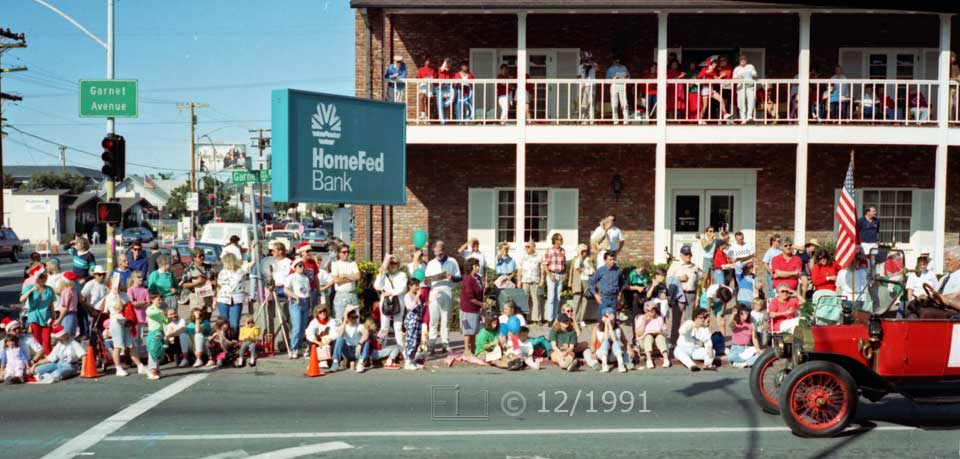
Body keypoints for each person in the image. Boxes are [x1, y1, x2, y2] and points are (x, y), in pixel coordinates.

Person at [103, 273, 146, 376]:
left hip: (126, 322)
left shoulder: (124, 294)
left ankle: (140, 366)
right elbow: (119, 308)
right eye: (116, 284)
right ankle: (118, 368)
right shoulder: (109, 297)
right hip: (116, 322)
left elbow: (129, 305)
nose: (118, 286)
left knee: (131, 345)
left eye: (119, 284)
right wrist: (117, 295)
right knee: (118, 346)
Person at [423, 241, 461, 354]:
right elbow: (426, 280)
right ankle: (432, 344)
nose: (438, 255)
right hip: (434, 292)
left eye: (440, 252)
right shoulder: (431, 263)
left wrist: (452, 278)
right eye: (436, 252)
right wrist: (433, 279)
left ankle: (446, 343)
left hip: (447, 290)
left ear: (444, 250)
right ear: (434, 251)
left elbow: (459, 277)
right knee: (433, 320)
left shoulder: (452, 261)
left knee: (446, 319)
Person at [374, 255, 408, 347]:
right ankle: (380, 347)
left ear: (398, 264)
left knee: (398, 327)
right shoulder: (384, 275)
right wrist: (381, 273)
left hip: (398, 303)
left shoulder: (402, 275)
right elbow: (377, 286)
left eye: (395, 263)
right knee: (384, 327)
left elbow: (403, 288)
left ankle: (401, 348)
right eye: (391, 263)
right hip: (385, 303)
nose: (393, 265)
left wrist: (391, 293)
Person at [216, 253, 253, 333]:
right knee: (224, 323)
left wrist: (253, 249)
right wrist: (214, 300)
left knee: (234, 323)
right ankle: (224, 341)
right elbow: (219, 286)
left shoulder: (241, 270)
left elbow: (252, 262)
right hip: (223, 299)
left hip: (236, 299)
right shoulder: (222, 272)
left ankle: (234, 341)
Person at [21, 271, 56, 355]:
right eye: (43, 278)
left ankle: (49, 357)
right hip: (34, 317)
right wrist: (31, 290)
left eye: (45, 278)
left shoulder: (49, 289)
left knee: (47, 340)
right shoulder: (30, 287)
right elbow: (21, 299)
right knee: (38, 340)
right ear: (37, 278)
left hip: (46, 318)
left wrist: (54, 318)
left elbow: (51, 305)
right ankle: (40, 358)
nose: (45, 280)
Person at [285, 259, 311, 359]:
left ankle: (299, 346)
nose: (302, 267)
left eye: (302, 265)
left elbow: (308, 293)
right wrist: (295, 296)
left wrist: (309, 306)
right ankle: (293, 348)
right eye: (299, 266)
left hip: (305, 302)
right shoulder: (291, 277)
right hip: (296, 303)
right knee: (296, 327)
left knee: (302, 328)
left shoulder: (305, 278)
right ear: (295, 267)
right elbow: (286, 289)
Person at [459, 258, 484, 356]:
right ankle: (466, 350)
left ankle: (473, 349)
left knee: (474, 330)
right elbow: (470, 297)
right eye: (476, 265)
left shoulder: (478, 277)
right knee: (467, 330)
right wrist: (482, 304)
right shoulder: (468, 279)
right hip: (467, 309)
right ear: (472, 267)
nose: (478, 267)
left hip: (475, 309)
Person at [635, 300, 670, 369]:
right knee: (648, 336)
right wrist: (644, 322)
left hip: (657, 341)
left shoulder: (659, 318)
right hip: (644, 341)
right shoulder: (641, 318)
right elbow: (638, 334)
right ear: (646, 310)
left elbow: (665, 332)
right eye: (651, 310)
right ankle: (649, 360)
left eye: (654, 309)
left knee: (660, 336)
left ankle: (666, 359)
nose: (653, 311)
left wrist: (660, 332)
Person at [595, 308, 632, 373]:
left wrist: (610, 326)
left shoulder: (617, 329)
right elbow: (605, 339)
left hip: (613, 354)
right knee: (605, 343)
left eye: (613, 319)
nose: (611, 321)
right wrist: (606, 325)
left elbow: (614, 340)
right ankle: (604, 365)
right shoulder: (599, 329)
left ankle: (621, 365)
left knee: (616, 343)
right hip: (602, 354)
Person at [589, 252, 624, 322]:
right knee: (602, 320)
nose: (613, 261)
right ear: (605, 261)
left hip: (614, 298)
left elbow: (622, 283)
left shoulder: (618, 271)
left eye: (613, 259)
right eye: (610, 260)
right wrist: (596, 295)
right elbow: (591, 283)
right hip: (603, 298)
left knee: (613, 320)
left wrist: (620, 293)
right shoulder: (600, 271)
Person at [330, 304, 364, 372]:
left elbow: (366, 333)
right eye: (353, 317)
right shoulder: (344, 325)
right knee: (340, 339)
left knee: (366, 342)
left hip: (357, 350)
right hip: (348, 350)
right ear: (348, 318)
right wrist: (345, 320)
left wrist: (360, 344)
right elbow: (340, 335)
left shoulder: (359, 325)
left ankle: (359, 363)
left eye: (356, 317)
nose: (355, 319)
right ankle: (335, 362)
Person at [541, 233, 567, 324]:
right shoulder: (549, 250)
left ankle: (556, 318)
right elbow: (544, 265)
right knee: (551, 297)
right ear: (555, 240)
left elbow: (565, 263)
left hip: (560, 275)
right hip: (552, 275)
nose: (561, 241)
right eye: (560, 239)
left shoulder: (563, 251)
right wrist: (550, 275)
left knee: (558, 298)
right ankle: (550, 319)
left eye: (561, 239)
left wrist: (565, 273)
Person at [697, 58, 732, 124]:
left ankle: (725, 114)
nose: (715, 66)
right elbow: (698, 77)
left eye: (715, 64)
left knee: (721, 99)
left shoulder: (714, 71)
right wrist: (706, 72)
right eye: (714, 64)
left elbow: (716, 81)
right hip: (705, 88)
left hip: (711, 89)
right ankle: (700, 119)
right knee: (705, 105)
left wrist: (719, 77)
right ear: (710, 64)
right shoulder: (704, 69)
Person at [330, 244, 360, 319]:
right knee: (339, 319)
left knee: (355, 318)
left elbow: (358, 276)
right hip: (341, 295)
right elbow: (336, 280)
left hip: (352, 294)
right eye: (344, 252)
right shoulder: (335, 264)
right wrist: (351, 277)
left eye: (348, 252)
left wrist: (344, 275)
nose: (346, 254)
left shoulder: (353, 263)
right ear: (339, 253)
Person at [667, 245, 702, 310]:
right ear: (681, 255)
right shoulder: (675, 265)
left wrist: (697, 297)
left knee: (689, 319)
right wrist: (679, 278)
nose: (688, 256)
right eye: (686, 254)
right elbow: (668, 280)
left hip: (691, 295)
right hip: (679, 294)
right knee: (676, 319)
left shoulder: (695, 267)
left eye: (689, 254)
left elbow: (697, 284)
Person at [568, 243, 595, 325]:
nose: (584, 253)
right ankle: (574, 319)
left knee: (585, 300)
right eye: (582, 251)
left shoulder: (588, 260)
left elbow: (592, 271)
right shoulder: (576, 259)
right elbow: (575, 269)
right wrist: (570, 282)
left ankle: (582, 319)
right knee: (576, 301)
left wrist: (585, 270)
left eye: (585, 251)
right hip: (577, 283)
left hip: (586, 281)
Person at [518, 240, 544, 323]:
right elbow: (520, 269)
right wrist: (519, 281)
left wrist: (542, 280)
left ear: (534, 247)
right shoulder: (523, 256)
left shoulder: (539, 256)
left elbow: (542, 269)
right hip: (525, 280)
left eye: (528, 246)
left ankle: (537, 319)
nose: (526, 248)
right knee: (524, 300)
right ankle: (525, 319)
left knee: (536, 300)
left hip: (535, 280)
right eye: (526, 246)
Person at [79, 265, 108, 338]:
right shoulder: (90, 284)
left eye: (104, 274)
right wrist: (90, 311)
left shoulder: (106, 284)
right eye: (99, 274)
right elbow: (82, 299)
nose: (102, 276)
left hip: (104, 312)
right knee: (94, 333)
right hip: (93, 311)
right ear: (95, 275)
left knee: (104, 333)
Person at [402, 278, 425, 370]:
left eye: (418, 285)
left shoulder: (416, 296)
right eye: (415, 285)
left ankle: (412, 360)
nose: (417, 287)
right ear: (410, 286)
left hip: (418, 320)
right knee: (411, 340)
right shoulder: (407, 296)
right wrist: (417, 297)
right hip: (411, 321)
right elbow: (410, 307)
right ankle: (407, 361)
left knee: (417, 341)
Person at [181, 248, 213, 313]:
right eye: (200, 256)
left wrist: (210, 282)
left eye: (203, 255)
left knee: (207, 319)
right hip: (196, 298)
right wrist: (197, 282)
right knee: (198, 319)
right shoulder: (189, 269)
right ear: (193, 257)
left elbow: (215, 281)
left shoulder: (208, 267)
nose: (202, 257)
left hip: (208, 297)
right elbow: (184, 284)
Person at [143, 294, 166, 380]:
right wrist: (161, 313)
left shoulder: (161, 310)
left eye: (161, 300)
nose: (160, 301)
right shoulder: (151, 309)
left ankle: (156, 369)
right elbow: (150, 313)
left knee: (159, 351)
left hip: (160, 332)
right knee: (153, 351)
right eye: (158, 300)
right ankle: (152, 370)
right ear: (152, 300)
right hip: (153, 332)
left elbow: (165, 321)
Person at [733, 54, 758, 123]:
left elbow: (755, 74)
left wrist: (754, 75)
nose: (742, 61)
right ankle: (743, 118)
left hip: (749, 86)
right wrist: (739, 77)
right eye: (741, 59)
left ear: (746, 60)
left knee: (751, 101)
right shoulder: (736, 68)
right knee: (741, 103)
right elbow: (733, 78)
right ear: (739, 61)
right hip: (741, 87)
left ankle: (749, 116)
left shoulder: (750, 66)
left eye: (744, 59)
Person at [54, 272, 80, 337]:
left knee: (66, 336)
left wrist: (58, 320)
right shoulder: (74, 290)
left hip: (67, 316)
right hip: (74, 315)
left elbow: (64, 308)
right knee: (71, 337)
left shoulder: (66, 291)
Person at [606, 58, 630, 123]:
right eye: (615, 61)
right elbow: (607, 81)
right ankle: (615, 121)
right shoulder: (610, 69)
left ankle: (626, 120)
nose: (617, 62)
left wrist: (626, 75)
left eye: (618, 61)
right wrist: (613, 78)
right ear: (613, 61)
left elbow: (628, 77)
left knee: (624, 102)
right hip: (614, 85)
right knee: (614, 103)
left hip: (622, 85)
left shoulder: (623, 67)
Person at [578, 51, 597, 122]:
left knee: (591, 103)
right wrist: (584, 72)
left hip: (592, 85)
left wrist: (590, 64)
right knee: (584, 103)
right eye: (585, 58)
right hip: (584, 85)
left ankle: (591, 120)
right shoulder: (580, 66)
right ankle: (584, 120)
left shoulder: (594, 64)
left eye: (588, 58)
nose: (586, 59)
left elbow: (598, 68)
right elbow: (578, 76)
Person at [417, 57, 435, 122]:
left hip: (429, 86)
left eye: (429, 61)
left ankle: (427, 116)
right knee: (421, 98)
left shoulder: (432, 70)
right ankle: (422, 113)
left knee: (428, 101)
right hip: (423, 85)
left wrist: (430, 78)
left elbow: (432, 78)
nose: (428, 62)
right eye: (426, 61)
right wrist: (425, 78)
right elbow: (418, 77)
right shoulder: (421, 69)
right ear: (424, 62)